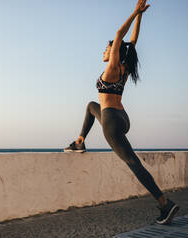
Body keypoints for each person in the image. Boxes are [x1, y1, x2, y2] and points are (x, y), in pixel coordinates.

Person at [64, 0, 179, 225]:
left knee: (133, 163)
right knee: (90, 106)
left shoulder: (113, 67)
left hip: (112, 122)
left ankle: (165, 203)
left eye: (107, 48)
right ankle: (79, 141)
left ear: (115, 52)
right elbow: (132, 41)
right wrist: (140, 17)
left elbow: (120, 35)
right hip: (122, 117)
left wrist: (135, 11)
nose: (104, 51)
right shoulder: (124, 68)